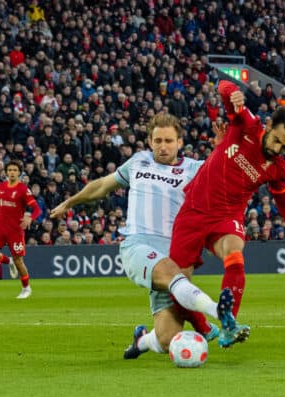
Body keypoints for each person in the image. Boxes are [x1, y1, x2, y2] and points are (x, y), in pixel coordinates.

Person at [50, 113, 249, 359]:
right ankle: (220, 315)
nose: (162, 146)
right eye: (157, 141)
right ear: (149, 141)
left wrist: (221, 151)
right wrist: (70, 202)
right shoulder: (138, 162)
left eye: (168, 141)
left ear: (179, 142)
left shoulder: (196, 169)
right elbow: (101, 186)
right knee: (171, 274)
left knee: (167, 339)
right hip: (138, 245)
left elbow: (231, 177)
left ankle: (142, 340)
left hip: (175, 252)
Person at [170, 80, 285, 318]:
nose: (277, 149)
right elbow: (223, 87)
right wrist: (234, 94)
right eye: (276, 140)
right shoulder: (247, 125)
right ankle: (207, 329)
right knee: (178, 286)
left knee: (235, 253)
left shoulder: (277, 168)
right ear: (269, 124)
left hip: (227, 217)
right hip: (194, 209)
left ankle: (229, 322)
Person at [0, 160, 41, 299]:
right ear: (6, 172)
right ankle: (7, 261)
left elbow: (37, 209)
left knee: (19, 261)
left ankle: (26, 288)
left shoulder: (23, 189)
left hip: (15, 231)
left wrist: (30, 218)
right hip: (0, 227)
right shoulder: (2, 186)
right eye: (9, 170)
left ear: (19, 173)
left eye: (15, 170)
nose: (12, 172)